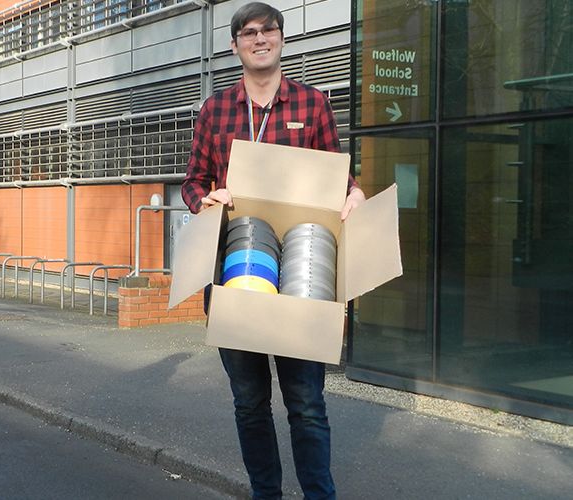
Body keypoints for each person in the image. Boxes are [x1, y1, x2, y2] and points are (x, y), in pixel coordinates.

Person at [181, 3, 366, 499]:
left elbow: (339, 179)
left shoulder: (313, 105)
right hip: (232, 275)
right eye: (248, 32)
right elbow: (192, 184)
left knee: (306, 403)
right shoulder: (215, 110)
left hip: (301, 282)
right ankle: (266, 493)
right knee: (249, 404)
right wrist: (207, 198)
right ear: (235, 44)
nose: (259, 39)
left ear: (281, 38)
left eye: (268, 30)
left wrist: (353, 194)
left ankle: (318, 495)